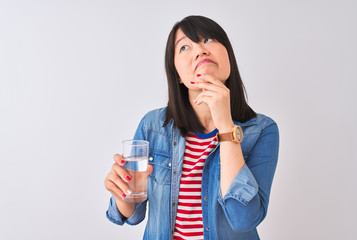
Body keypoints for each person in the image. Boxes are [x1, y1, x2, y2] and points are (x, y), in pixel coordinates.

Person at [104, 15, 279, 240]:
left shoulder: (262, 130)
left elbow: (243, 219)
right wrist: (122, 192)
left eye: (208, 40)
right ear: (177, 74)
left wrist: (225, 124)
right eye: (185, 47)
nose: (200, 51)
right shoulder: (152, 126)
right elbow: (133, 213)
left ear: (228, 56)